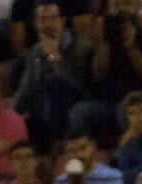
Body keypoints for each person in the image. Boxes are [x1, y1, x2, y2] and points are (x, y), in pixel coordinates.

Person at [12, 1, 98, 153]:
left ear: (62, 20)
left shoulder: (81, 47)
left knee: (54, 83)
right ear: (36, 23)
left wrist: (53, 57)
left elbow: (78, 86)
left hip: (79, 101)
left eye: (52, 18)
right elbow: (25, 90)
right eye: (42, 19)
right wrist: (9, 117)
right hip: (46, 108)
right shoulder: (35, 52)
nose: (48, 24)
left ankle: (58, 143)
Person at [88, 0, 142, 131]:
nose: (122, 10)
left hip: (141, 101)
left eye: (127, 4)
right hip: (108, 102)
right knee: (80, 112)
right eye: (116, 5)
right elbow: (98, 75)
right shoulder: (105, 35)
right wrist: (103, 42)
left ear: (138, 6)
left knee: (126, 110)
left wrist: (132, 46)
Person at [51, 130, 124, 184]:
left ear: (93, 146)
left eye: (83, 148)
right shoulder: (60, 181)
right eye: (72, 151)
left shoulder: (112, 176)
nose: (79, 155)